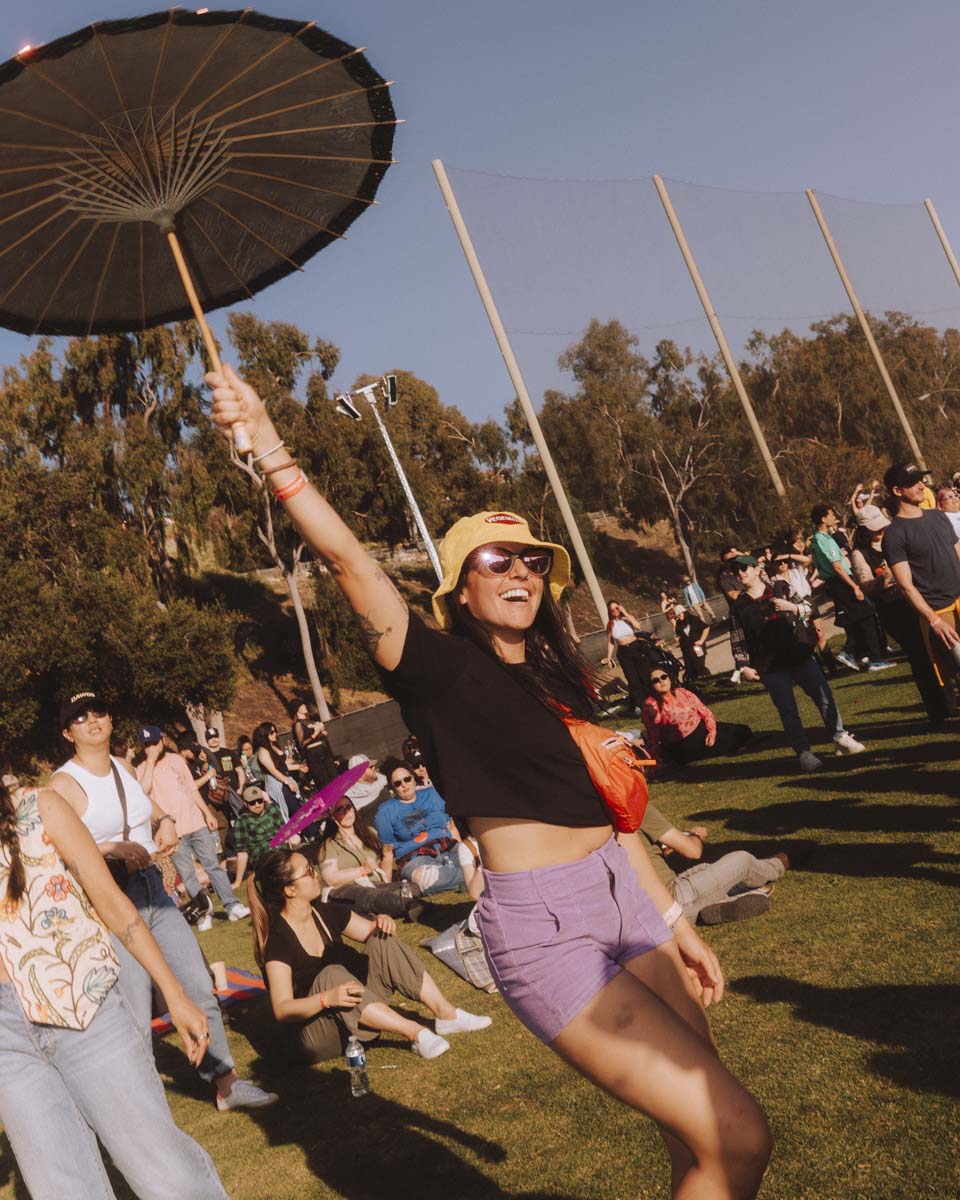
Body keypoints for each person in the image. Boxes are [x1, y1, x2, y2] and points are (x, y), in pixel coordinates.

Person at [207, 364, 772, 1199]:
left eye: (532, 561)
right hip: (546, 928)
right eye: (496, 559)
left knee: (699, 1141)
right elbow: (349, 564)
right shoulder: (436, 667)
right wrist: (270, 446)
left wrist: (671, 919)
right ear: (461, 585)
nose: (520, 572)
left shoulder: (562, 676)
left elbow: (612, 817)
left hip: (625, 899)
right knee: (741, 1134)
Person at [0, 776, 230, 1199]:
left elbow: (111, 902)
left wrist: (175, 994)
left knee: (163, 1170)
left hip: (83, 1003)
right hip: (6, 1042)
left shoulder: (42, 807)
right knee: (62, 1190)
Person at [50, 691, 278, 1113]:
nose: (92, 720)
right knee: (134, 1009)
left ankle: (225, 1082)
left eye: (98, 711)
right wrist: (110, 849)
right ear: (68, 732)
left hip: (156, 888)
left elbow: (145, 804)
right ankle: (142, 1109)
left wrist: (167, 820)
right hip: (112, 899)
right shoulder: (63, 784)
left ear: (111, 719)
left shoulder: (121, 767)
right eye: (79, 717)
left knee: (196, 985)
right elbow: (57, 852)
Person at [249, 849, 490, 1063]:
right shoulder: (278, 942)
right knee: (331, 974)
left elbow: (371, 933)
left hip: (348, 1010)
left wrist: (381, 922)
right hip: (314, 1034)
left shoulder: (322, 912)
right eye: (308, 872)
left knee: (381, 939)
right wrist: (326, 998)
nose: (316, 875)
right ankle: (415, 1033)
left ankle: (447, 1014)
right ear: (289, 889)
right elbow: (282, 1009)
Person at [731, 556, 865, 772]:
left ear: (757, 569)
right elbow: (738, 639)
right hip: (769, 666)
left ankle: (839, 736)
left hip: (799, 655)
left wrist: (792, 607)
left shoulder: (780, 587)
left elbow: (810, 607)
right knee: (788, 711)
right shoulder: (739, 606)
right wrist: (743, 665)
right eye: (735, 571)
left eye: (744, 568)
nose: (740, 573)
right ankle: (804, 753)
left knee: (824, 697)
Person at [137, 726, 250, 930]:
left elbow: (191, 789)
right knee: (187, 874)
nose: (152, 748)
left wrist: (207, 814)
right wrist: (151, 762)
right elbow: (142, 792)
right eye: (147, 745)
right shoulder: (141, 769)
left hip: (195, 823)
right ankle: (202, 913)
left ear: (162, 740)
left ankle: (232, 905)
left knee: (212, 865)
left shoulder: (176, 760)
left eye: (155, 742)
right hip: (173, 832)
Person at [851, 506, 950, 725]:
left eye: (881, 526)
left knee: (940, 649)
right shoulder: (861, 553)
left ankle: (949, 697)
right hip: (894, 609)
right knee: (919, 656)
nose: (880, 532)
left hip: (918, 599)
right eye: (874, 529)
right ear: (863, 530)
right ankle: (937, 709)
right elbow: (865, 588)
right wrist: (884, 578)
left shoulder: (895, 538)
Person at [639, 800, 795, 926]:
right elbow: (693, 851)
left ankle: (716, 905)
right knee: (742, 861)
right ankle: (780, 863)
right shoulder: (636, 808)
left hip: (641, 913)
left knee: (705, 868)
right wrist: (696, 835)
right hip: (671, 898)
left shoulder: (615, 821)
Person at [882, 461, 960, 689]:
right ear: (897, 491)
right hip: (940, 610)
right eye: (912, 482)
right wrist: (934, 620)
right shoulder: (895, 534)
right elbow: (906, 586)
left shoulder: (938, 516)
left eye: (920, 480)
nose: (920, 485)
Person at [375, 759, 483, 899]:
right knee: (423, 877)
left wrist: (462, 851)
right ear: (392, 788)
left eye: (407, 779)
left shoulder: (432, 794)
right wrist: (386, 888)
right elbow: (387, 853)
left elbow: (451, 826)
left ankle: (459, 878)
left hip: (447, 846)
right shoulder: (385, 812)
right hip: (415, 857)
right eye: (398, 783)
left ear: (414, 779)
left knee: (478, 857)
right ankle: (470, 877)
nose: (404, 785)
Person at [809, 503, 896, 672]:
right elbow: (836, 566)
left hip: (836, 582)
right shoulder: (823, 539)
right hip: (841, 581)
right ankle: (859, 655)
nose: (834, 517)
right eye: (831, 514)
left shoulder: (816, 539)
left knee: (859, 618)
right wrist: (854, 586)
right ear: (823, 518)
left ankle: (857, 653)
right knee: (867, 614)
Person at [314, 797, 425, 920]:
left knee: (411, 887)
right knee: (367, 894)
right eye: (340, 809)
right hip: (345, 890)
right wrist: (362, 870)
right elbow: (330, 878)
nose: (346, 812)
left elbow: (384, 881)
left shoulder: (369, 833)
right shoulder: (329, 845)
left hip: (376, 886)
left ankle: (384, 908)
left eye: (348, 807)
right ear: (333, 816)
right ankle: (405, 905)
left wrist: (387, 858)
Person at [641, 668, 752, 767]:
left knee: (742, 730)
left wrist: (712, 732)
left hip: (702, 730)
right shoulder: (650, 706)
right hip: (681, 745)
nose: (661, 681)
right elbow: (653, 737)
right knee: (738, 736)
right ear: (651, 686)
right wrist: (652, 766)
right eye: (655, 680)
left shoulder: (683, 693)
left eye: (664, 677)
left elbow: (706, 713)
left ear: (669, 678)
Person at [232, 784, 288, 887]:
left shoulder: (272, 809)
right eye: (252, 803)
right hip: (263, 856)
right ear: (245, 804)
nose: (257, 805)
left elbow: (284, 834)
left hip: (282, 850)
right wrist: (238, 881)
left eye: (260, 801)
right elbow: (242, 852)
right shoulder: (242, 821)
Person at [603, 599, 651, 712]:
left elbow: (638, 626)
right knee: (632, 679)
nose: (615, 611)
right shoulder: (610, 624)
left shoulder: (627, 619)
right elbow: (610, 642)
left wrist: (626, 614)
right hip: (623, 652)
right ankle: (640, 705)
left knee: (644, 675)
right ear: (609, 612)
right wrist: (609, 658)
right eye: (612, 610)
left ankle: (651, 700)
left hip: (636, 647)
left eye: (617, 608)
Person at [253, 720, 300, 820]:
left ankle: (310, 832)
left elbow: (284, 765)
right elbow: (273, 771)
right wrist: (288, 782)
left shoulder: (274, 746)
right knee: (294, 811)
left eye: (275, 731)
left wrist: (300, 766)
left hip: (285, 779)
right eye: (272, 732)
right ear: (265, 734)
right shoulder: (262, 751)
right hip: (278, 784)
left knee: (298, 807)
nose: (275, 734)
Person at [291, 700, 338, 788]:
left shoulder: (310, 721)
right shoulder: (298, 724)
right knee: (324, 783)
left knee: (335, 778)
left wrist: (321, 733)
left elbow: (319, 736)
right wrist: (314, 734)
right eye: (301, 705)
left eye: (304, 704)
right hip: (313, 755)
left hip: (323, 751)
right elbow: (301, 744)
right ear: (297, 709)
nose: (304, 706)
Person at [670, 603, 711, 680]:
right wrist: (677, 639)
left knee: (699, 665)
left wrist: (701, 640)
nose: (678, 617)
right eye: (677, 615)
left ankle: (707, 678)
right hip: (686, 649)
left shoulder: (693, 619)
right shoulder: (679, 624)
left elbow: (706, 628)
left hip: (697, 647)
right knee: (690, 668)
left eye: (680, 614)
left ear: (684, 612)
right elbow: (678, 634)